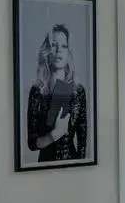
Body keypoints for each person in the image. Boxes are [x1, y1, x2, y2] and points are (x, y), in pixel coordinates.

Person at [26, 23, 87, 162]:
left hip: (72, 166)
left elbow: (82, 143)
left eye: (64, 46)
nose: (59, 50)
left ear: (68, 53)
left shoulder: (78, 91)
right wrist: (54, 135)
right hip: (45, 166)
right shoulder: (37, 91)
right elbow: (32, 143)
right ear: (47, 51)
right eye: (54, 45)